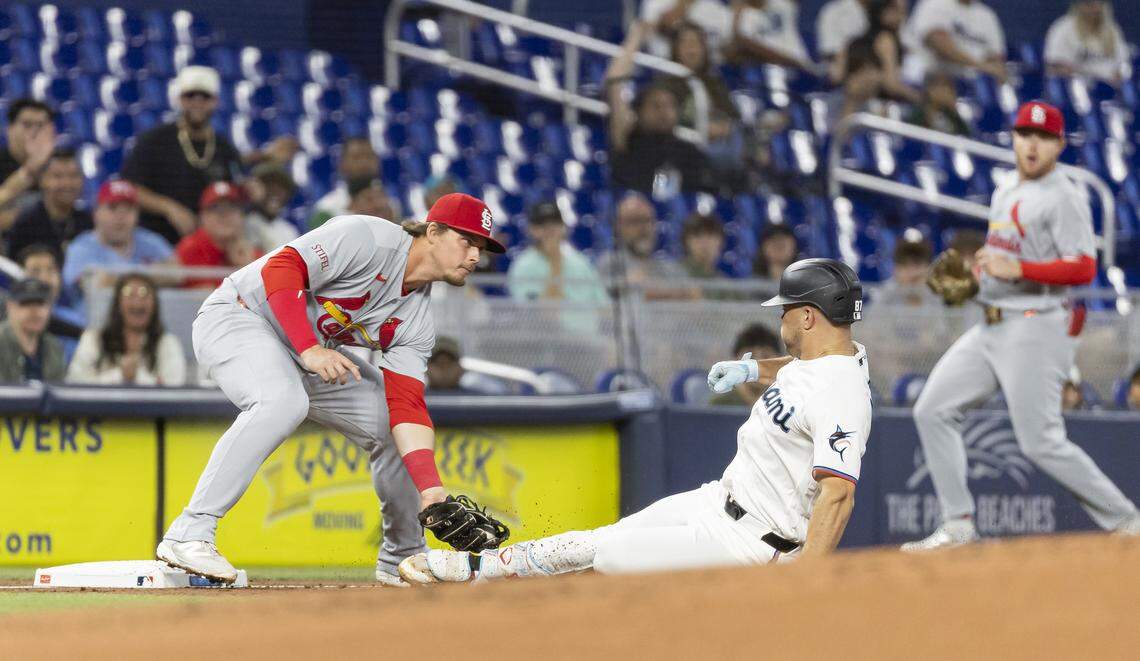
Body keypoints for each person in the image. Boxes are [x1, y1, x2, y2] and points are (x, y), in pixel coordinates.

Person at [397, 258, 870, 583]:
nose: (780, 319)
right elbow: (806, 371)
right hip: (717, 503)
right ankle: (472, 570)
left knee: (611, 558)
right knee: (602, 540)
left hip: (754, 543)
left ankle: (484, 586)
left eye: (786, 310)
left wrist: (811, 578)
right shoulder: (832, 360)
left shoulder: (841, 391)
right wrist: (752, 369)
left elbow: (838, 491)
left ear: (808, 317)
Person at [156, 192, 508, 587]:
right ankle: (190, 531)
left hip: (306, 351)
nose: (476, 256)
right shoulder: (367, 237)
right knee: (283, 401)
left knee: (390, 426)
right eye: (467, 241)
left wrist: (432, 491)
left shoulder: (417, 321)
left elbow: (406, 405)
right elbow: (282, 267)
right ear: (433, 231)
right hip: (239, 315)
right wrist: (309, 348)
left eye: (481, 247)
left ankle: (403, 557)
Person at [901, 101, 1140, 551]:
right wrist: (978, 279)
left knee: (1040, 442)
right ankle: (958, 525)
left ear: (1058, 145)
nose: (1032, 143)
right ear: (1012, 138)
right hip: (992, 323)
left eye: (1044, 137)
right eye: (1024, 134)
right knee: (932, 409)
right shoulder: (1006, 186)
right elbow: (1002, 260)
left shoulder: (1065, 195)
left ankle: (1128, 521)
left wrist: (1022, 269)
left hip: (1037, 326)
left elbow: (1084, 268)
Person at [121, 66, 243, 245]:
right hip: (156, 242)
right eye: (190, 96)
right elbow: (129, 187)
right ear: (180, 99)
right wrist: (169, 208)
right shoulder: (155, 140)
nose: (197, 102)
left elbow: (235, 194)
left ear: (215, 101)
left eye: (205, 97)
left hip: (207, 245)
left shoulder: (224, 148)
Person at [605, 23, 715, 197]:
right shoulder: (627, 141)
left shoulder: (690, 152)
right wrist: (637, 37)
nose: (664, 112)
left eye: (671, 106)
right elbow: (615, 82)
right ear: (639, 113)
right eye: (656, 106)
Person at [66, 273, 187, 386]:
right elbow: (75, 382)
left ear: (154, 305)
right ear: (117, 304)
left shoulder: (168, 343)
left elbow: (174, 389)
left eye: (144, 294)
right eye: (129, 294)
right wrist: (120, 375)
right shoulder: (93, 338)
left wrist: (137, 376)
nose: (137, 301)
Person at [63, 180, 174, 303]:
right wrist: (150, 274)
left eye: (128, 209)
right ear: (96, 213)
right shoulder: (82, 247)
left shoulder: (149, 241)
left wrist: (116, 279)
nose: (121, 216)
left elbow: (177, 274)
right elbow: (90, 285)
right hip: (93, 320)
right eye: (113, 208)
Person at [657, 22, 745, 172]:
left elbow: (733, 117)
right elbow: (663, 122)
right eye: (685, 42)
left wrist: (724, 127)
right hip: (684, 151)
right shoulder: (665, 83)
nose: (691, 48)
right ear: (675, 49)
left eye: (696, 42)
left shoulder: (714, 83)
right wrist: (701, 129)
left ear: (704, 49)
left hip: (721, 149)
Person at [830, 0, 921, 118]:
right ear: (883, 12)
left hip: (847, 107)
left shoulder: (851, 42)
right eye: (897, 11)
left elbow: (835, 76)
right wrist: (919, 98)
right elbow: (891, 84)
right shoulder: (886, 39)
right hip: (872, 108)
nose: (901, 16)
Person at [595, 193, 693, 299]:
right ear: (619, 227)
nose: (643, 228)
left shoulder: (669, 268)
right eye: (635, 221)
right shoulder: (609, 264)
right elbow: (599, 302)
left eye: (648, 221)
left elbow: (694, 296)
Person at [508, 201, 607, 305]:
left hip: (587, 320)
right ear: (531, 229)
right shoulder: (523, 266)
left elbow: (604, 307)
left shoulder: (580, 261)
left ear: (563, 227)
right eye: (542, 224)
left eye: (554, 223)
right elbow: (542, 315)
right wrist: (555, 261)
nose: (550, 229)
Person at [6, 148, 91, 261]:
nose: (67, 183)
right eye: (58, 176)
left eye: (73, 175)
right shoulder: (26, 224)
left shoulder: (87, 223)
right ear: (42, 180)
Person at [176, 181, 261, 289]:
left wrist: (246, 266)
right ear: (203, 217)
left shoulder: (252, 253)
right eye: (215, 209)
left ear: (241, 216)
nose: (224, 215)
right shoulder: (188, 249)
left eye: (231, 208)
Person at [901, 0, 1007, 84]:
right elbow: (939, 44)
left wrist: (995, 70)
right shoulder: (935, 3)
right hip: (931, 80)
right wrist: (980, 66)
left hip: (973, 85)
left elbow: (996, 57)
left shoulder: (987, 15)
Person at [0, 99, 57, 231]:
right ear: (9, 129)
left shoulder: (56, 164)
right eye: (27, 125)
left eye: (41, 125)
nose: (34, 131)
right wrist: (28, 171)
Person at [1044, 1, 1129, 84]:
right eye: (1089, 4)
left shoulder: (1112, 30)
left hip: (1111, 89)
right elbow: (1055, 66)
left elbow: (1122, 64)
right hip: (1077, 88)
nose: (1095, 8)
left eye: (1099, 3)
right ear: (1078, 5)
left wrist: (1119, 76)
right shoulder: (1062, 28)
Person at [0, 279, 66, 383]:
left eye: (40, 303)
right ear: (10, 307)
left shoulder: (54, 346)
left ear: (50, 307)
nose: (34, 311)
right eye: (26, 303)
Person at [307, 137, 381, 229]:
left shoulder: (391, 204)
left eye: (369, 156)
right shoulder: (327, 209)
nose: (364, 163)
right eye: (356, 158)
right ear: (342, 164)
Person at [18, 243, 86, 337]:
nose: (45, 278)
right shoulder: (11, 320)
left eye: (51, 270)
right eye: (35, 271)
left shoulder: (77, 321)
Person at [708, 323, 783, 407]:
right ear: (736, 360)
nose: (757, 363)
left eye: (766, 356)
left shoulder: (787, 402)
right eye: (751, 356)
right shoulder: (720, 405)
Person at [730, 0, 814, 71]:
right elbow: (740, 42)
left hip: (802, 67)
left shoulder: (782, 4)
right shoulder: (744, 17)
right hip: (772, 70)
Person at [639, 0, 733, 61]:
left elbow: (729, 48)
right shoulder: (657, 2)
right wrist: (683, 5)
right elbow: (661, 28)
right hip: (664, 66)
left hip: (708, 70)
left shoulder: (717, 8)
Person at [244, 162, 300, 253]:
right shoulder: (241, 223)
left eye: (281, 187)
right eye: (268, 185)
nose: (275, 192)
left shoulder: (289, 230)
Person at [874, 235, 941, 308]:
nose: (912, 273)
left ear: (929, 269)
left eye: (917, 265)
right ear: (895, 270)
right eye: (905, 265)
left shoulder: (938, 297)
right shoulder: (883, 297)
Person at [905, 70, 971, 136]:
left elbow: (967, 137)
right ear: (930, 90)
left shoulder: (951, 115)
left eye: (949, 88)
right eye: (942, 86)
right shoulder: (918, 113)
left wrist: (954, 109)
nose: (947, 92)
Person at [680, 212, 726, 279]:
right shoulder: (671, 276)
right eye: (697, 236)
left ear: (721, 242)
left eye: (710, 235)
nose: (705, 243)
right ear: (686, 242)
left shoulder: (724, 283)